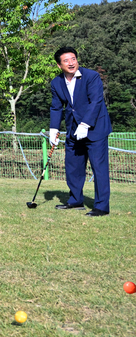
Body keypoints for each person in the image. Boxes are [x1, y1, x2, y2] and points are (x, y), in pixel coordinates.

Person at [49, 47, 112, 217]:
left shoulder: (91, 76)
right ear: (59, 65)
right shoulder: (56, 83)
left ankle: (101, 207)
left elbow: (96, 102)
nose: (71, 63)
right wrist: (53, 129)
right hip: (73, 130)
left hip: (96, 129)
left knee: (99, 169)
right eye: (66, 60)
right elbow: (56, 107)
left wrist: (85, 125)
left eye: (73, 59)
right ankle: (75, 201)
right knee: (73, 167)